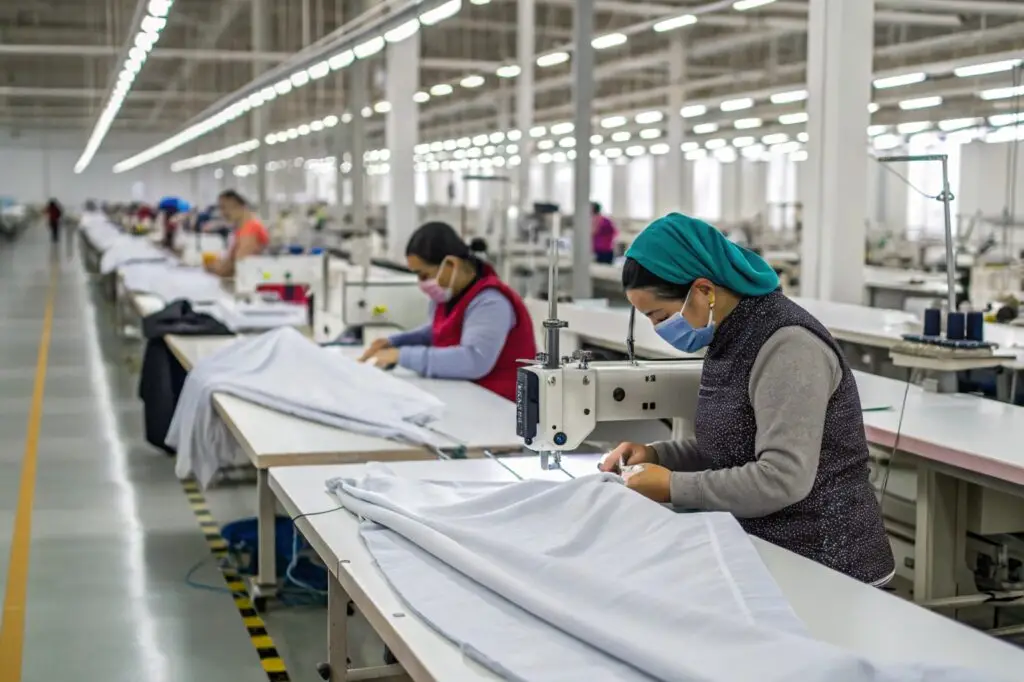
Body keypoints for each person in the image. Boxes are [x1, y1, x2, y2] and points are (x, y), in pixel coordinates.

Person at [599, 212, 895, 586]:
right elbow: (734, 444)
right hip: (769, 550)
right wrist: (657, 456)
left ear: (704, 290)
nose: (659, 329)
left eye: (660, 316)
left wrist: (673, 486)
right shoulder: (730, 334)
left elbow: (782, 478)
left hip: (829, 565)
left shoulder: (789, 346)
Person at [359, 221, 537, 401]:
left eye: (424, 275)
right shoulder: (450, 295)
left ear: (451, 264)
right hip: (472, 396)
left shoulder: (491, 302)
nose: (422, 283)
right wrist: (394, 342)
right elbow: (438, 331)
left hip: (503, 405)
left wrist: (401, 356)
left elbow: (474, 360)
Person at [204, 190, 269, 277]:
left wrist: (214, 268)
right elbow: (229, 262)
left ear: (238, 206)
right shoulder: (241, 229)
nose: (222, 213)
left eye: (224, 207)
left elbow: (237, 266)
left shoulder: (251, 229)